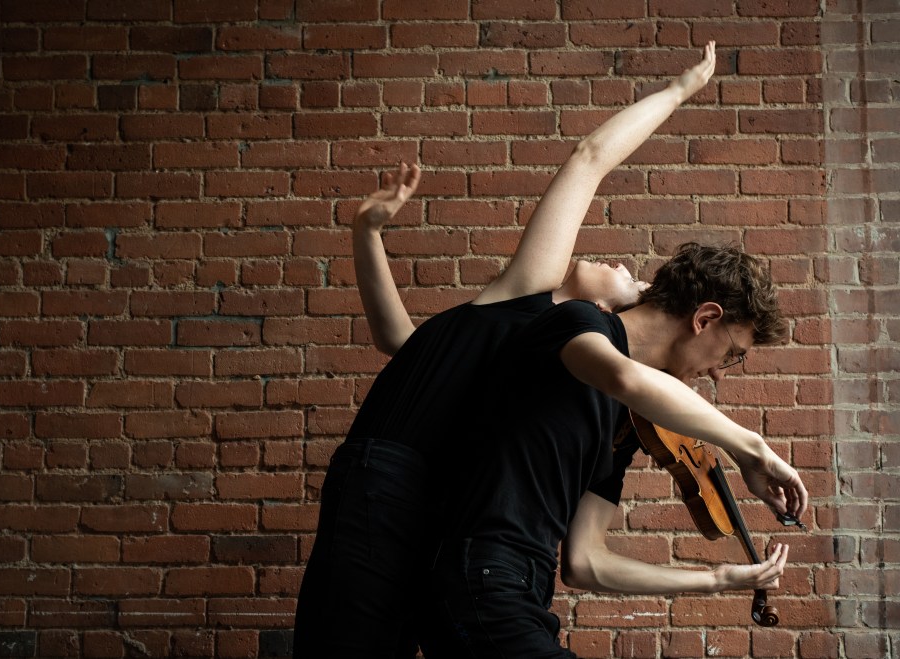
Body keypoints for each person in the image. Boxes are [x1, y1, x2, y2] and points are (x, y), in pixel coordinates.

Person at [292, 42, 800, 659]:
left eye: (632, 274)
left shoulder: (523, 343)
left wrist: (367, 234)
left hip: (437, 493)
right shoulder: (533, 296)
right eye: (622, 270)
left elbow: (401, 341)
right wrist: (678, 91)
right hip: (390, 472)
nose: (624, 268)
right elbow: (588, 161)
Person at [418, 241, 805, 658]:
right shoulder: (577, 323)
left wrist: (715, 579)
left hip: (521, 591)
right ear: (705, 318)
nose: (716, 372)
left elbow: (584, 562)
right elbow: (624, 377)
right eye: (730, 353)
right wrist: (752, 448)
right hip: (477, 576)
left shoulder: (624, 422)